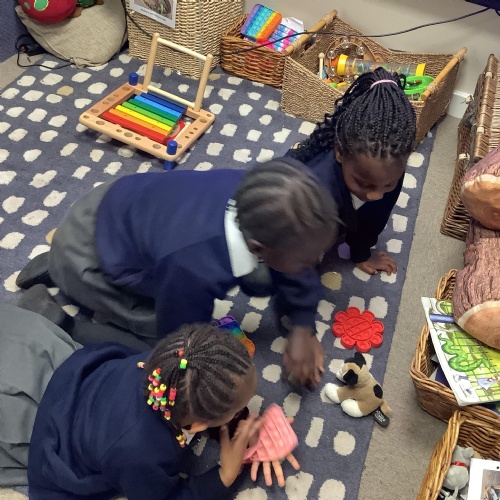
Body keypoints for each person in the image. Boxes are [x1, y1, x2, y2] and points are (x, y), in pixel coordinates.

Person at [16, 158, 340, 386]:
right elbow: (181, 338)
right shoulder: (194, 266)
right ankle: (59, 315)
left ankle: (59, 265)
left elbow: (291, 261)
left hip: (120, 205)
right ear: (258, 248)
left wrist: (302, 325)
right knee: (162, 348)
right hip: (87, 254)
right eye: (306, 261)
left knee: (266, 276)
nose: (316, 262)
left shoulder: (264, 197)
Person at [0, 303, 263, 499]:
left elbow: (202, 390)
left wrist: (231, 421)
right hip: (50, 431)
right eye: (237, 410)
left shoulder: (168, 365)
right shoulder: (140, 454)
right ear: (196, 426)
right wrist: (224, 476)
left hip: (75, 374)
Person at [289, 67, 417, 276]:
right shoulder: (316, 185)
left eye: (388, 184)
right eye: (363, 183)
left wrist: (361, 252)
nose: (376, 195)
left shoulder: (388, 171)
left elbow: (374, 217)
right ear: (339, 153)